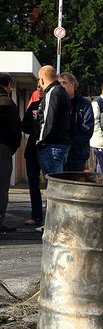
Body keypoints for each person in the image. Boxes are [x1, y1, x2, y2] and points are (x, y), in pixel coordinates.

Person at [37, 65, 72, 176]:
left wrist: (40, 142)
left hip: (51, 146)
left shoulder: (52, 92)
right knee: (58, 184)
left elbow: (48, 120)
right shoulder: (62, 92)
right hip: (61, 144)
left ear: (41, 80)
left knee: (53, 185)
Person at [0, 73, 22, 232]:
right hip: (2, 149)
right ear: (7, 85)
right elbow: (16, 131)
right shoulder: (8, 102)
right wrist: (12, 148)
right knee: (1, 188)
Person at [58, 72, 94, 172]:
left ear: (73, 84)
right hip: (59, 151)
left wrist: (71, 145)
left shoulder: (84, 104)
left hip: (77, 154)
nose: (61, 85)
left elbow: (87, 128)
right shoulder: (56, 102)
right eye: (59, 83)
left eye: (64, 82)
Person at [21, 86, 45, 227]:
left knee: (51, 184)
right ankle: (36, 215)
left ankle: (50, 216)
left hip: (47, 148)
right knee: (33, 185)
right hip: (32, 150)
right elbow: (24, 126)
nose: (40, 90)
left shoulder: (55, 104)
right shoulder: (34, 106)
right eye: (38, 88)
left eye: (43, 87)